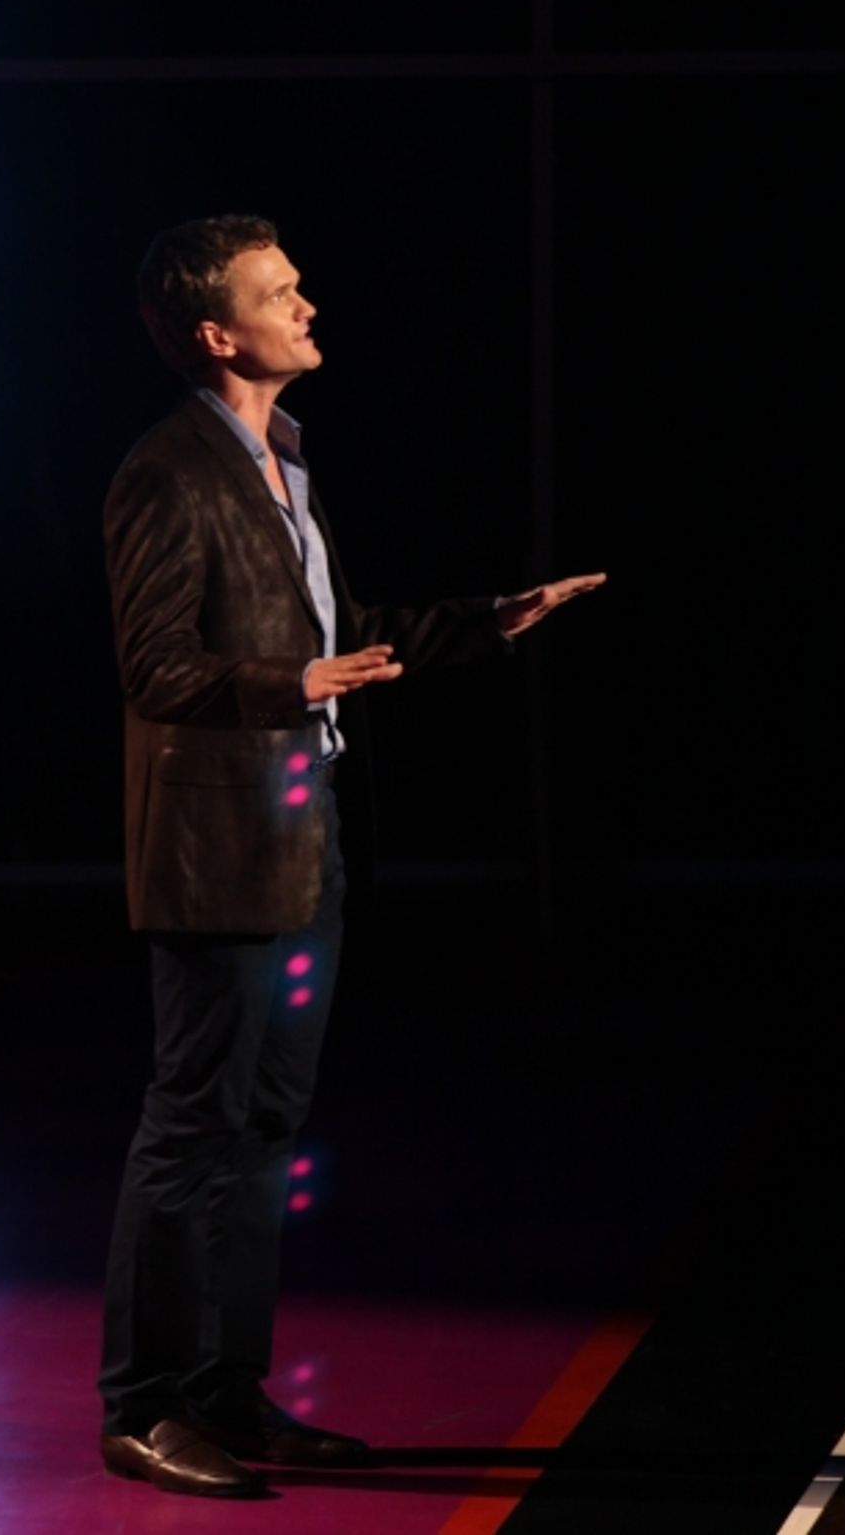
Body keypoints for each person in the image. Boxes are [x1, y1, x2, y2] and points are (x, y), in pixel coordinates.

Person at [97, 214, 606, 1499]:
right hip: (218, 843)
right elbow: (157, 667)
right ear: (219, 333)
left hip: (301, 831)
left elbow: (342, 631)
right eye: (281, 291)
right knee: (195, 1123)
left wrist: (484, 623)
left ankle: (226, 1390)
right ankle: (146, 1403)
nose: (309, 304)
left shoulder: (285, 460)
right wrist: (294, 678)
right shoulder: (169, 472)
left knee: (265, 1126)